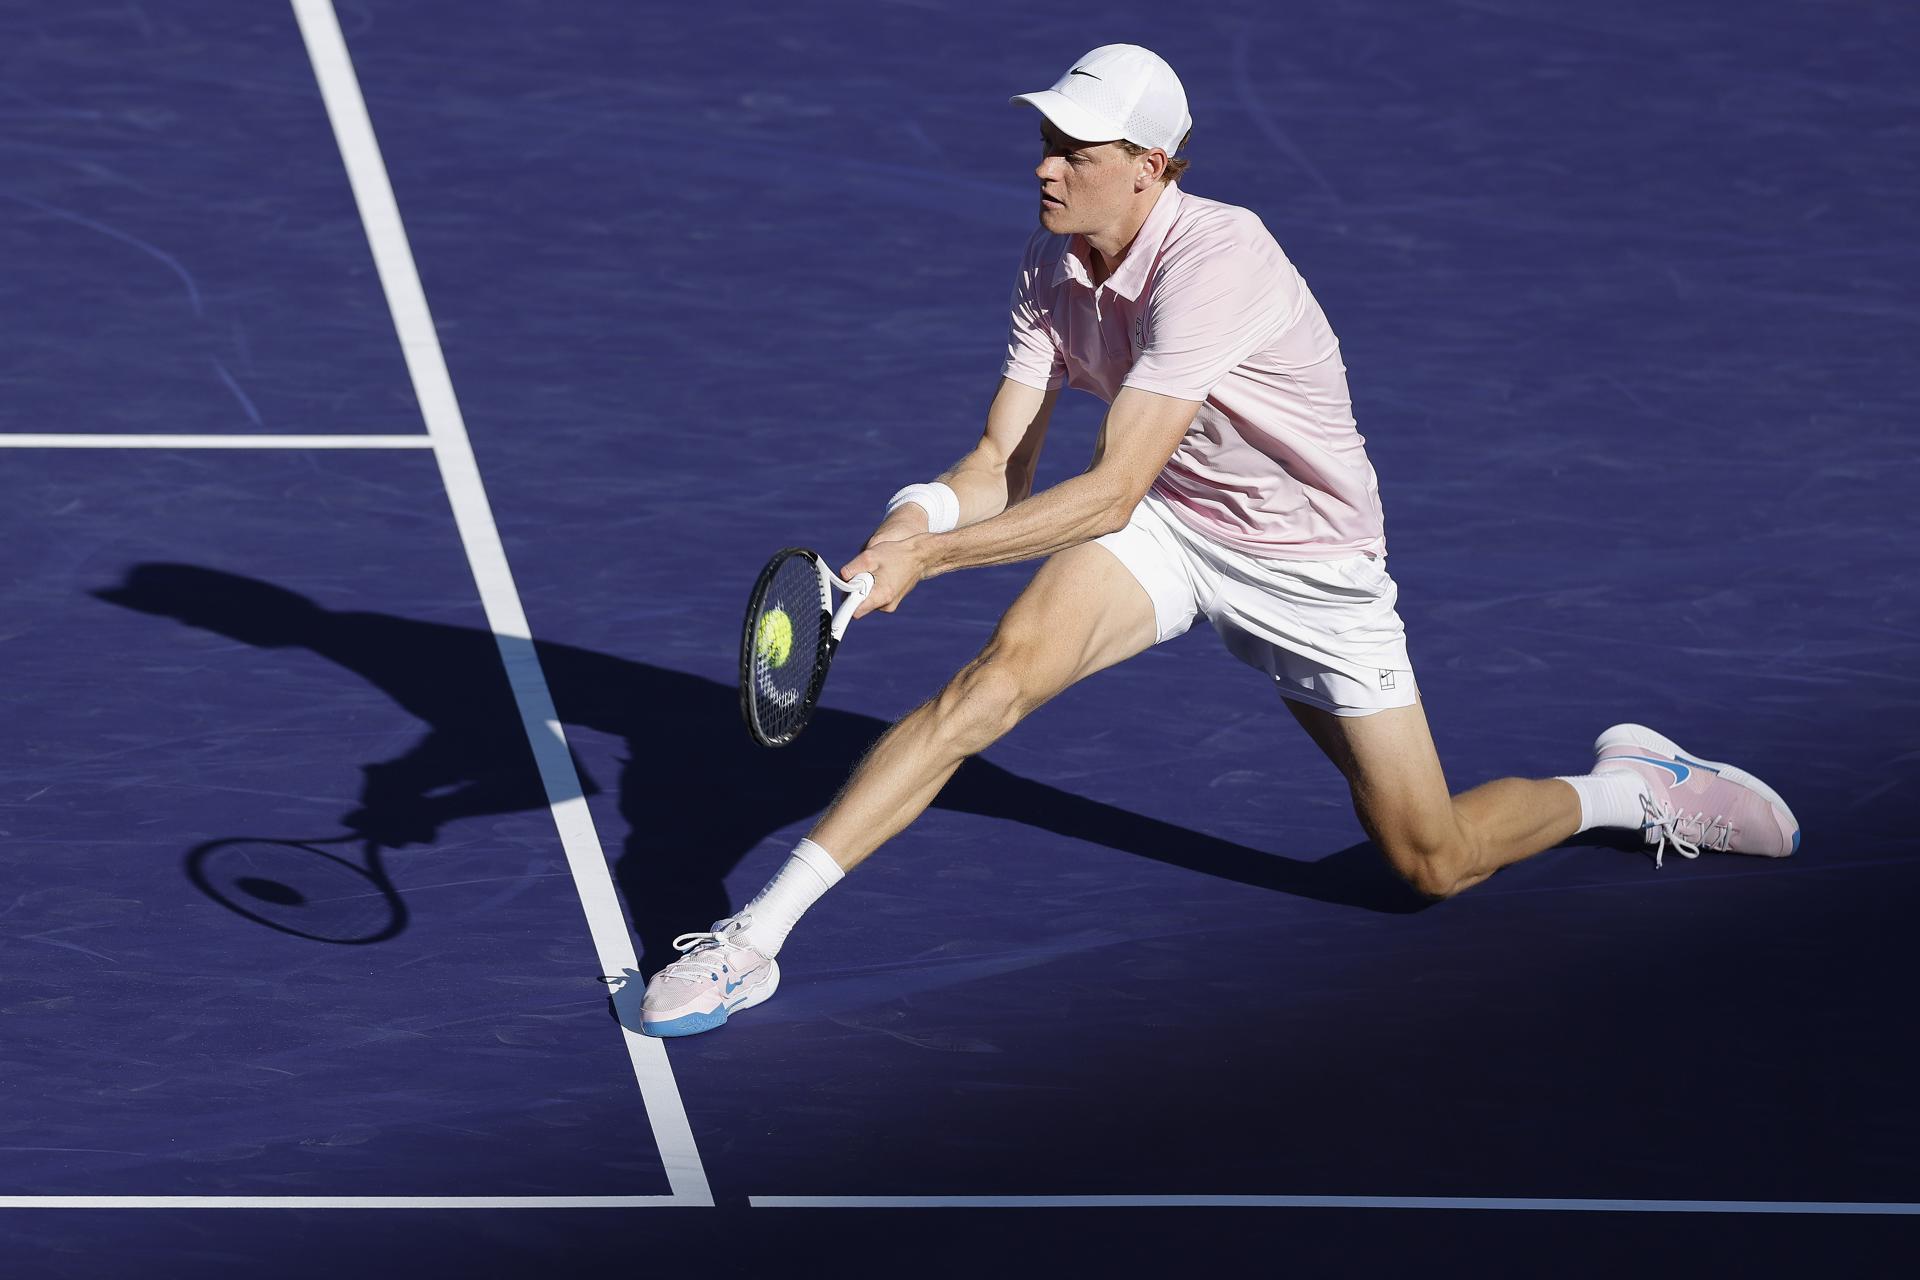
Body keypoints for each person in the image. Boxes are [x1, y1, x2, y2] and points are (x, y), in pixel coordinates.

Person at [639, 44, 1799, 1038]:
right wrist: (902, 530)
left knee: (1430, 861)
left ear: (1150, 169)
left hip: (1306, 562)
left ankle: (1629, 788)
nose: (1046, 164)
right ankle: (753, 938)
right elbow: (1000, 463)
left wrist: (929, 564)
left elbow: (1105, 486)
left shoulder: (1220, 258)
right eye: (1046, 139)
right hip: (1170, 526)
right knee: (987, 688)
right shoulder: (1050, 264)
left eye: (1076, 151)